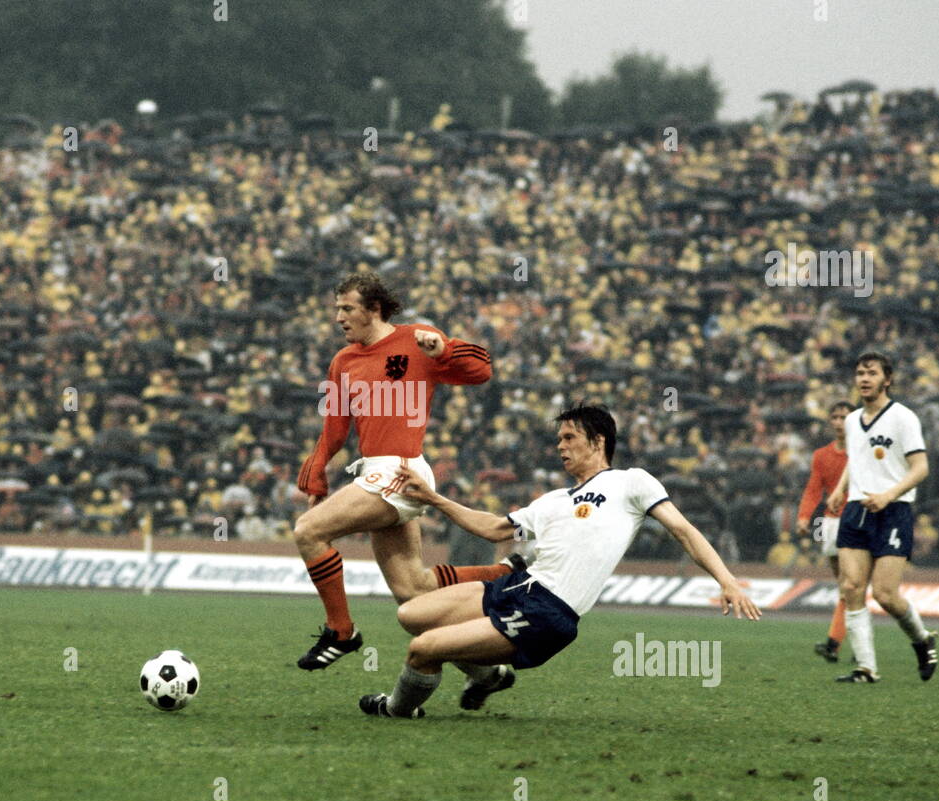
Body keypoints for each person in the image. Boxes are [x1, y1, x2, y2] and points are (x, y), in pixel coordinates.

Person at [356, 402, 761, 718]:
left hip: (548, 612)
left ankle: (397, 709)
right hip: (516, 587)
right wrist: (432, 498)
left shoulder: (631, 482)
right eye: (559, 439)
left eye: (569, 437)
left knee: (423, 649)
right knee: (411, 614)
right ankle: (490, 676)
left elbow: (684, 530)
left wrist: (725, 580)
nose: (560, 446)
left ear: (598, 441)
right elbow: (496, 529)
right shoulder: (554, 500)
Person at [293, 273, 515, 670]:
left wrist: (445, 348)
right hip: (375, 475)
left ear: (373, 309)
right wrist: (316, 475)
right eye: (337, 309)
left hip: (401, 471)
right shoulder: (342, 362)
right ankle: (488, 653)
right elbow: (334, 426)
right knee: (415, 594)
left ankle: (341, 632)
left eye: (347, 309)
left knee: (308, 532)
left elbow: (482, 371)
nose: (339, 317)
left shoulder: (416, 339)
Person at [825, 353, 936, 684]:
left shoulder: (903, 418)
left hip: (893, 511)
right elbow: (856, 460)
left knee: (885, 594)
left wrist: (889, 494)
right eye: (860, 373)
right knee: (851, 586)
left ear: (887, 379)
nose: (864, 378)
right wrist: (841, 488)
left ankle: (922, 639)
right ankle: (866, 668)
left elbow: (921, 467)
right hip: (857, 510)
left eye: (871, 373)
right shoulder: (851, 420)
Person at [795, 400, 853, 662]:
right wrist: (804, 516)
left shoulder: (863, 452)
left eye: (844, 417)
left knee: (852, 586)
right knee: (847, 587)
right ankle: (848, 644)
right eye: (835, 417)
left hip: (858, 521)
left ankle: (834, 643)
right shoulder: (821, 455)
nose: (839, 422)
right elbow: (813, 489)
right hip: (831, 524)